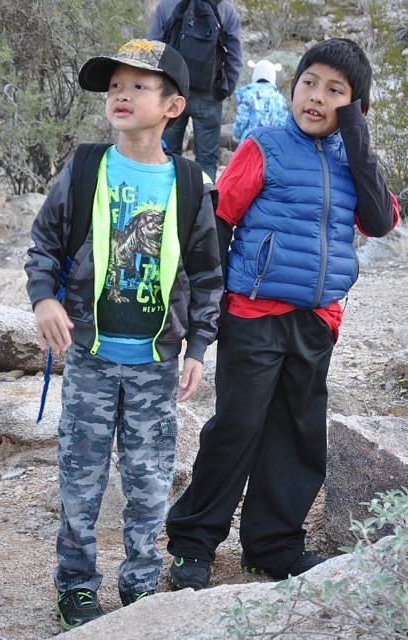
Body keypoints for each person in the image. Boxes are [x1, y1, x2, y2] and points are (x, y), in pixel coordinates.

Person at [165, 37, 400, 590]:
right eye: (309, 83)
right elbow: (219, 221)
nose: (316, 97)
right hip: (253, 313)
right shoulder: (263, 146)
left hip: (316, 320)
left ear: (356, 107)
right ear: (292, 88)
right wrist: (208, 306)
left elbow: (380, 221)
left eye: (335, 91)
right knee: (236, 427)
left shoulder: (354, 160)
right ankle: (193, 542)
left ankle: (273, 547)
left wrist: (357, 140)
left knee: (297, 433)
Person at [25, 38, 223, 630]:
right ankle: (76, 586)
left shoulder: (190, 184)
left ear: (173, 106)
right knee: (80, 480)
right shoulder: (86, 167)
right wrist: (43, 299)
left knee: (148, 481)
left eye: (139, 85)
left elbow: (208, 274)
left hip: (156, 365)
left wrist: (198, 347)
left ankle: (139, 585)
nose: (121, 94)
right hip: (88, 357)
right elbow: (45, 242)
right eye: (115, 85)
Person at [148, 0, 243, 182]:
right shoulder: (225, 8)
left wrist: (157, 89)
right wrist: (225, 88)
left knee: (165, 154)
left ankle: (166, 196)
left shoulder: (167, 5)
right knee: (206, 160)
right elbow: (235, 55)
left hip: (172, 91)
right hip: (209, 93)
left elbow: (153, 48)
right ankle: (203, 198)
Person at [232, 58, 288, 144]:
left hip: (250, 142)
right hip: (272, 143)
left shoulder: (249, 94)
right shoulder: (279, 98)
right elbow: (283, 122)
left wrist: (236, 134)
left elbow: (242, 118)